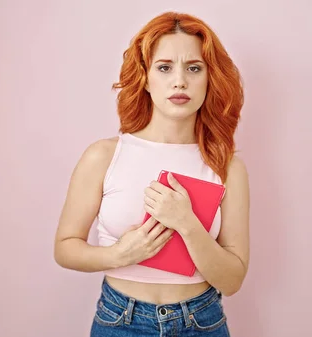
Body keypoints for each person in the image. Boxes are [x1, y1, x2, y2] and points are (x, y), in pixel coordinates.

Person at [54, 11, 249, 337]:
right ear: (145, 77)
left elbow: (232, 280)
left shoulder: (227, 166)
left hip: (201, 322)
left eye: (194, 68)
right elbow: (64, 247)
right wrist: (119, 255)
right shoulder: (104, 156)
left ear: (209, 77)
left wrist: (187, 224)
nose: (180, 80)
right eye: (164, 67)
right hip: (120, 319)